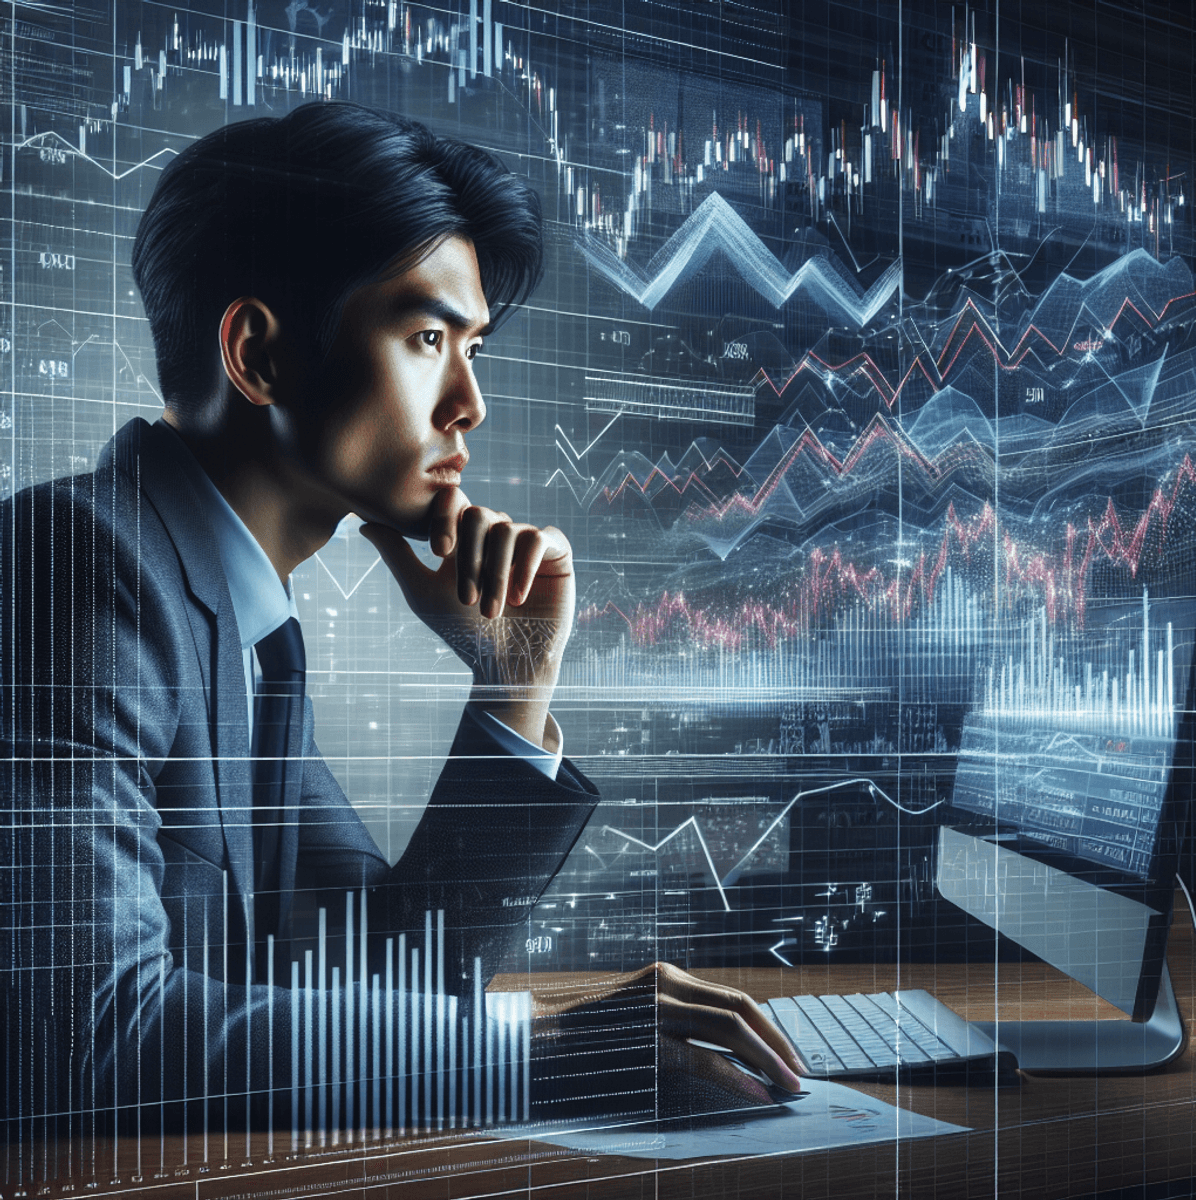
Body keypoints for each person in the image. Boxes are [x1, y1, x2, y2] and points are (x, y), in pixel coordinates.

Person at [0, 102, 802, 1148]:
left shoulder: (247, 632)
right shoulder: (77, 567)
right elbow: (86, 1035)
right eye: (427, 338)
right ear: (258, 355)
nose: (468, 402)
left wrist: (513, 684)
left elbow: (385, 974)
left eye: (473, 346)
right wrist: (547, 1053)